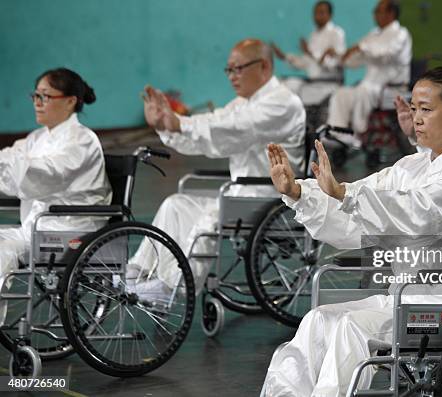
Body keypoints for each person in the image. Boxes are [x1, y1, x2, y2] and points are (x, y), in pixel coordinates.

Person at [260, 67, 442, 397]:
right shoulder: (410, 167)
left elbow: (418, 213)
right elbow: (356, 210)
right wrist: (299, 193)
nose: (417, 118)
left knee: (351, 328)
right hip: (407, 299)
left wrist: (346, 194)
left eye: (427, 109)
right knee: (318, 320)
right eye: (414, 108)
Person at [131, 39, 305, 296]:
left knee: (211, 217)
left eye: (238, 69)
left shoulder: (283, 103)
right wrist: (165, 127)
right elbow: (214, 133)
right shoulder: (243, 103)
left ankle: (172, 287)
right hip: (243, 195)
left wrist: (179, 122)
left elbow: (234, 126)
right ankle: (139, 272)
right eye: (229, 70)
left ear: (264, 66)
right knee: (176, 205)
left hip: (271, 197)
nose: (232, 77)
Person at [0, 67, 111, 322]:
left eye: (46, 96)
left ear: (71, 101)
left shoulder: (82, 140)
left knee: (3, 250)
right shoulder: (37, 138)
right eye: (35, 96)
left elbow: (49, 174)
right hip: (40, 226)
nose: (37, 103)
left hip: (71, 228)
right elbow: (10, 162)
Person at [326, 0, 412, 147]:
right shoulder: (374, 34)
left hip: (393, 89)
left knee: (363, 91)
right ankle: (339, 135)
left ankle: (359, 134)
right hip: (370, 87)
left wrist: (361, 47)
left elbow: (386, 54)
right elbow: (356, 58)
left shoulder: (400, 34)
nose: (374, 15)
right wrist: (340, 56)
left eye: (378, 11)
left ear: (391, 14)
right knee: (341, 93)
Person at [272, 1, 346, 105]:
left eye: (321, 12)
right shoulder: (313, 35)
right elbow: (306, 62)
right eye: (315, 13)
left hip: (329, 82)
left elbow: (336, 62)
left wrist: (310, 52)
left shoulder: (337, 33)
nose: (317, 16)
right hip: (312, 81)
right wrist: (285, 57)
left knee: (295, 91)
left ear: (330, 15)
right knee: (280, 83)